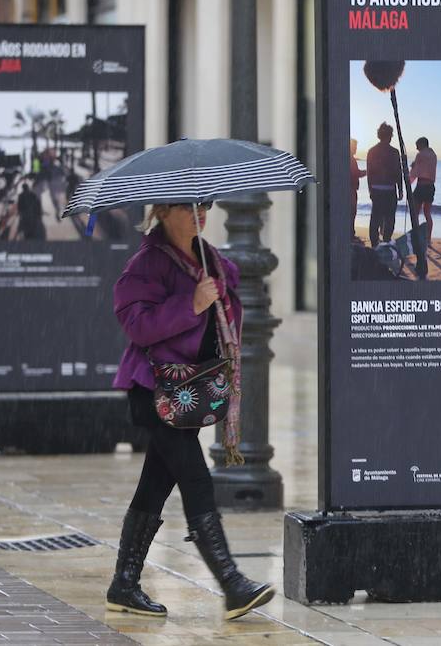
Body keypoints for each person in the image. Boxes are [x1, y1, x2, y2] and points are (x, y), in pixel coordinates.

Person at [107, 202, 274, 620]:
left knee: (155, 486)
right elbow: (136, 325)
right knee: (196, 479)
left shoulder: (206, 256)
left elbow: (227, 310)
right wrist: (193, 303)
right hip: (155, 391)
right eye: (188, 206)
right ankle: (231, 582)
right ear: (163, 212)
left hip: (188, 390)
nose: (200, 212)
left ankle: (123, 584)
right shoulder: (146, 263)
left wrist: (218, 290)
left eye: (205, 204)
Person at [365, 122, 403, 247]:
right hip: (390, 189)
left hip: (376, 188)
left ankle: (374, 243)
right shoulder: (394, 152)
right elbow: (398, 172)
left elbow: (369, 173)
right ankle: (386, 240)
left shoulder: (371, 151)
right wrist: (400, 189)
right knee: (390, 217)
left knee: (375, 217)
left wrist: (370, 190)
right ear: (390, 136)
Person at [409, 136, 438, 245]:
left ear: (421, 145)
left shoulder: (420, 155)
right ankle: (428, 238)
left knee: (415, 212)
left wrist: (411, 171)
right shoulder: (433, 155)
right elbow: (425, 168)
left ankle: (416, 236)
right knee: (427, 213)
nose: (416, 148)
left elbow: (415, 172)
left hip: (421, 185)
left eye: (417, 146)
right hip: (430, 186)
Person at [349, 138, 367, 241]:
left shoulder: (350, 158)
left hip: (350, 188)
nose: (356, 149)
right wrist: (367, 171)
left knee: (351, 212)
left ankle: (351, 233)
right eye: (354, 147)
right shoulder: (351, 160)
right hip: (351, 189)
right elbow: (356, 173)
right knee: (352, 211)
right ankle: (351, 234)